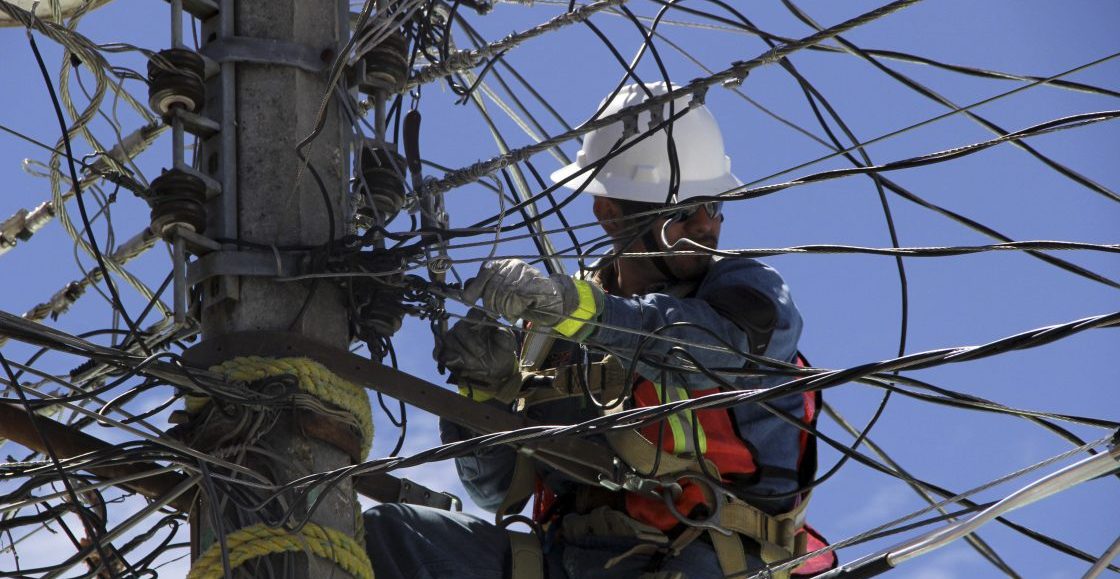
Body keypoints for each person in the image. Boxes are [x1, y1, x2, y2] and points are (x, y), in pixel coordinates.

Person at [364, 83, 836, 579]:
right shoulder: (552, 332)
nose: (705, 224)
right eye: (680, 210)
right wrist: (485, 394)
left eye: (713, 205)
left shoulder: (749, 297)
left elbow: (700, 347)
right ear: (610, 213)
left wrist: (577, 310)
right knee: (390, 535)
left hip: (704, 561)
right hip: (566, 561)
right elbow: (496, 491)